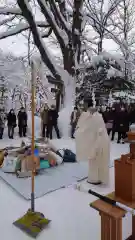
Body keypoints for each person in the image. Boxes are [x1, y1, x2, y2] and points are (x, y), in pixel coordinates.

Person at [75, 101, 110, 185]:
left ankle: (95, 178)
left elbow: (86, 128)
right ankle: (96, 178)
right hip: (97, 142)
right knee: (95, 161)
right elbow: (84, 128)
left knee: (96, 160)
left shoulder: (96, 117)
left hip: (98, 142)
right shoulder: (94, 117)